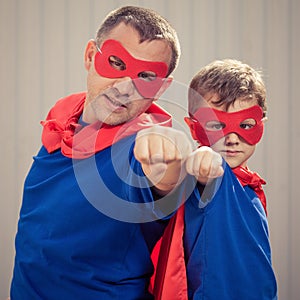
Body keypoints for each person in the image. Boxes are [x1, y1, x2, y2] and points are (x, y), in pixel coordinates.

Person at [10, 6, 191, 300]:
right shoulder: (60, 124)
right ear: (90, 56)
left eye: (145, 77)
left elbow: (166, 170)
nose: (124, 88)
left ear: (161, 89)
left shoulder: (143, 150)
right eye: (117, 63)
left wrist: (173, 154)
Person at [152, 59, 278, 299]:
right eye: (215, 125)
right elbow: (205, 166)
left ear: (261, 123)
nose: (231, 138)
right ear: (193, 127)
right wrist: (204, 159)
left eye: (245, 124)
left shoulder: (248, 186)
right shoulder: (211, 175)